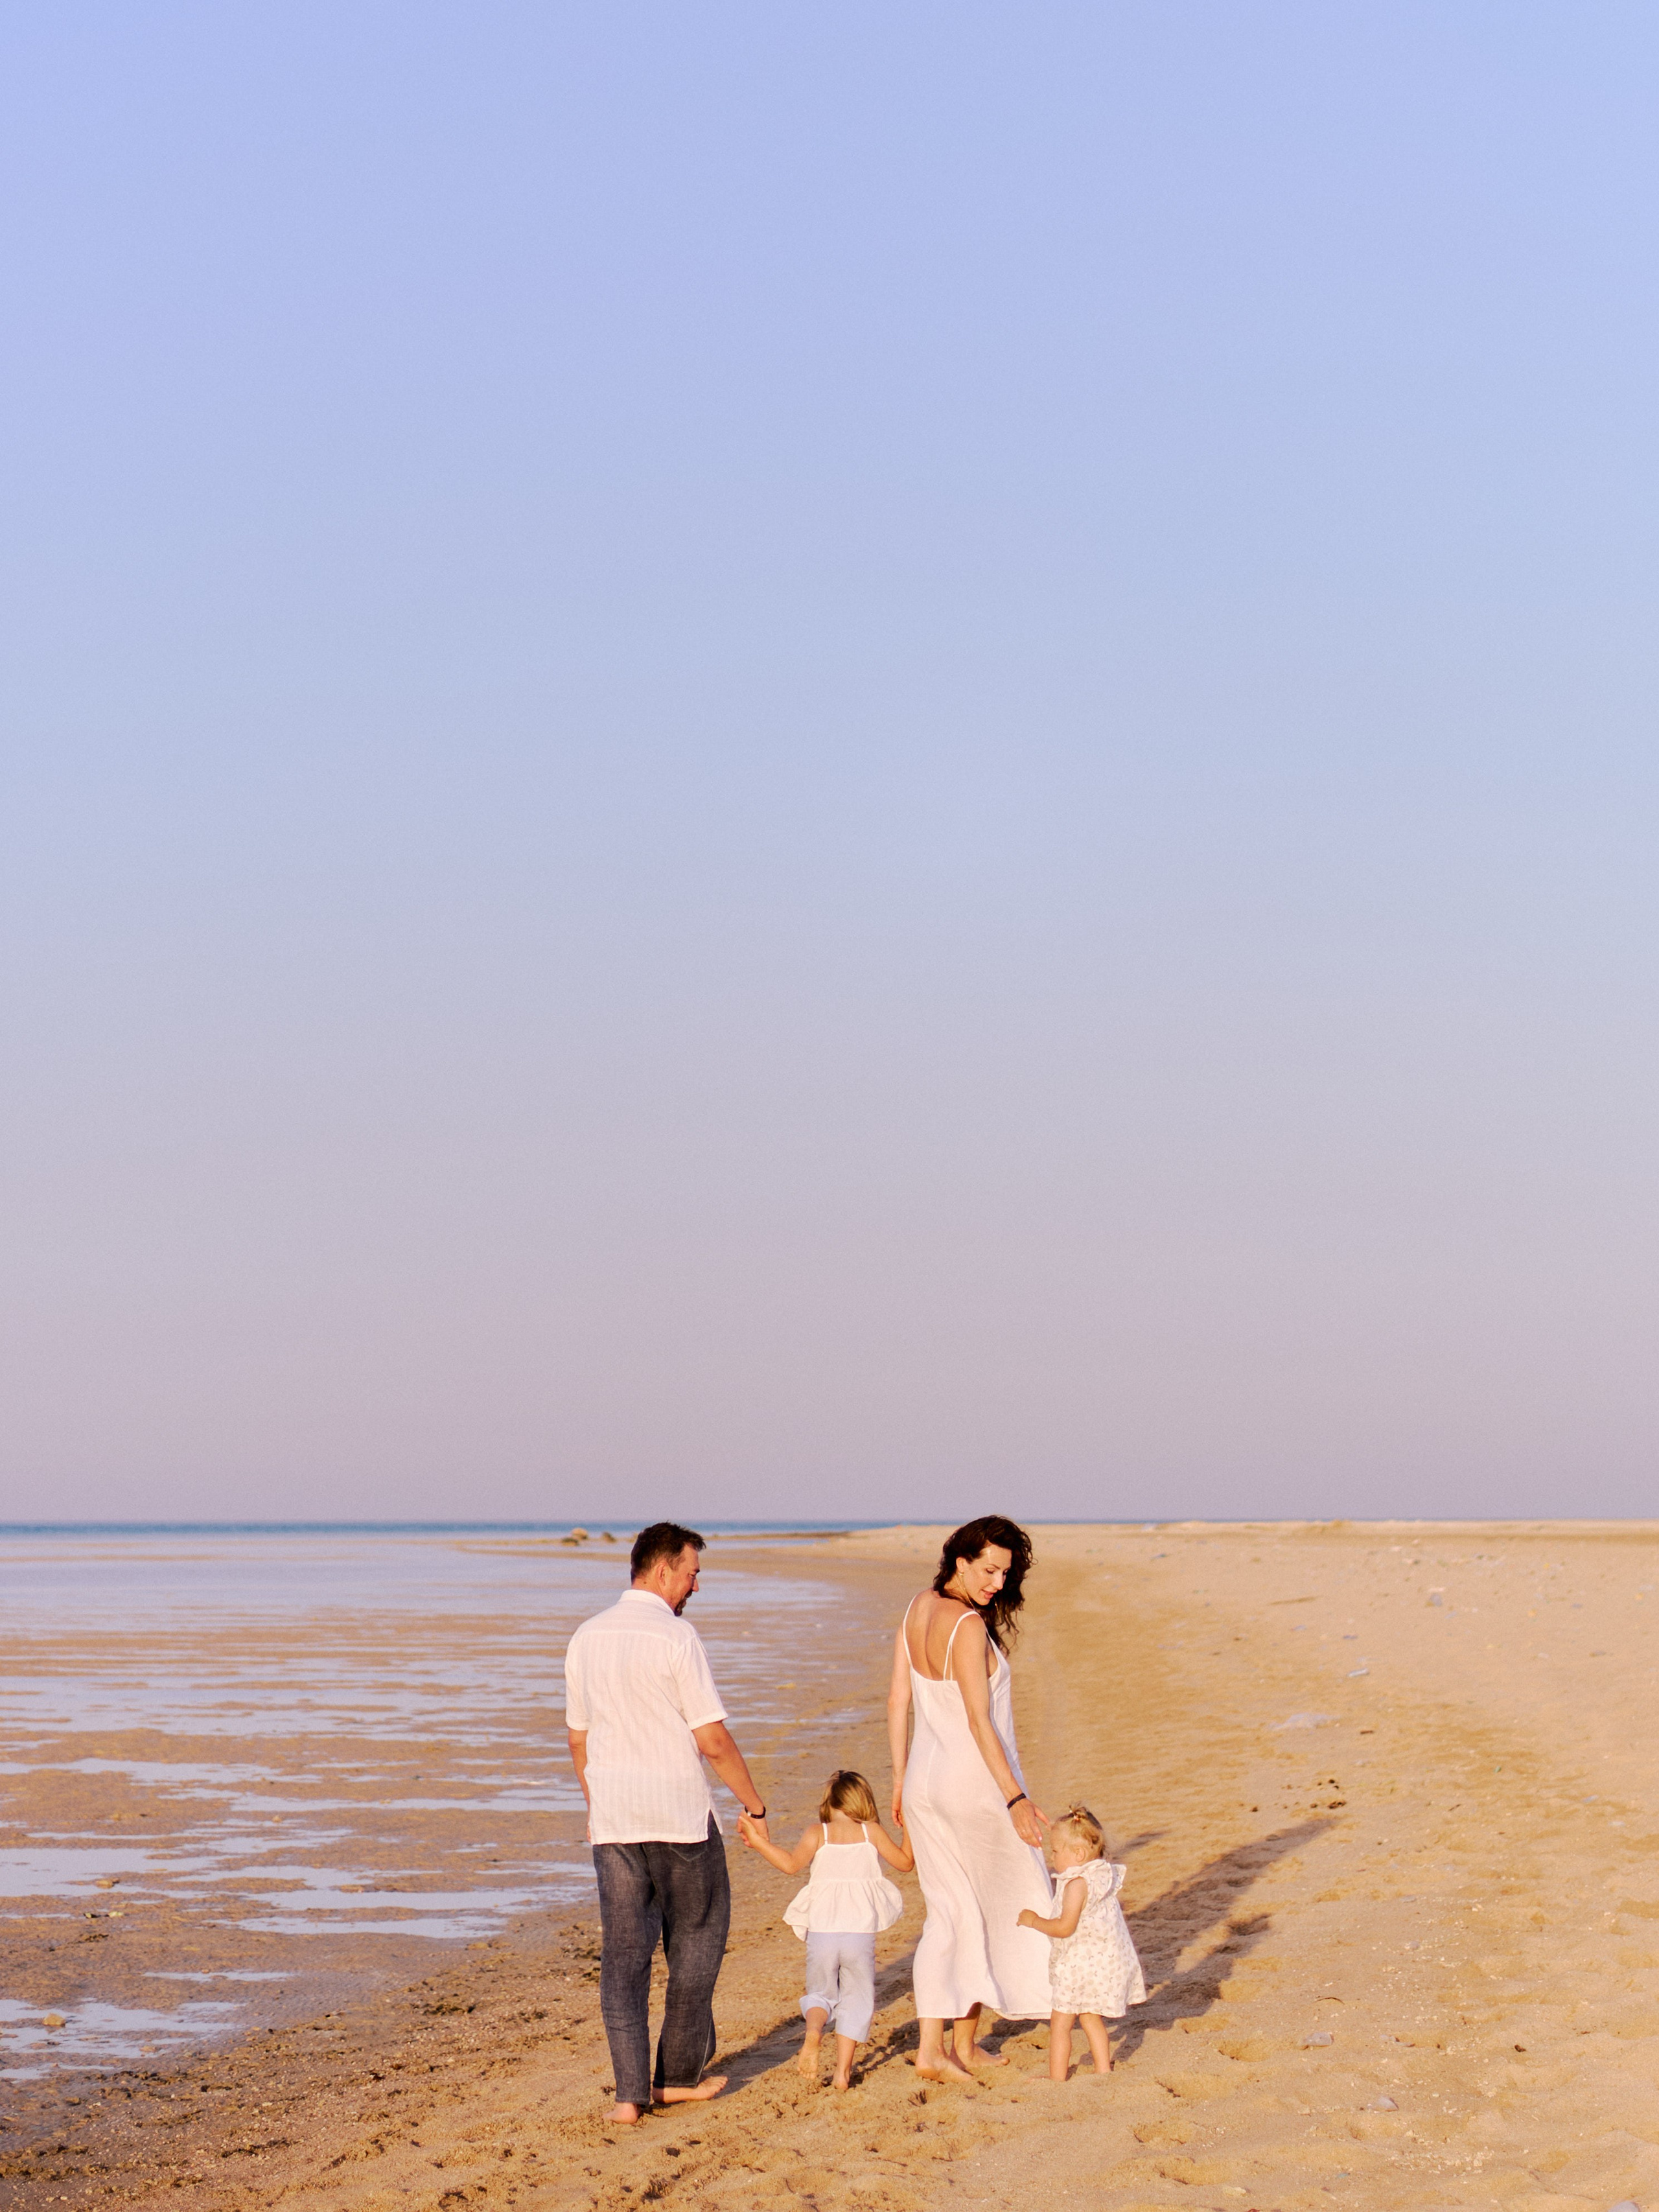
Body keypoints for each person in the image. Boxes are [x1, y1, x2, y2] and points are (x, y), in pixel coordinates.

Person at [564, 1522, 771, 2125]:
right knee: (698, 1943)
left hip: (616, 1820)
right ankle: (675, 2078)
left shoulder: (586, 1636)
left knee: (624, 1957)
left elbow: (579, 1739)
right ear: (662, 1572)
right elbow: (711, 1737)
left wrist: (595, 1801)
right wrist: (754, 1803)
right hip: (680, 1819)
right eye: (692, 1572)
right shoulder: (676, 1636)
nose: (696, 1586)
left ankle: (629, 2094)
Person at [887, 1513, 1054, 2083]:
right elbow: (981, 1723)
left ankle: (950, 2046)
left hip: (924, 1781)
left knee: (951, 1913)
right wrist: (1016, 1799)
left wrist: (898, 1780)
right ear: (960, 1560)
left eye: (1005, 1573)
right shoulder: (967, 1627)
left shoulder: (916, 1607)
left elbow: (896, 1701)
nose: (997, 1583)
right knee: (1006, 1902)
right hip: (973, 1784)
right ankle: (947, 2045)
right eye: (988, 1569)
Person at [737, 1768, 913, 2091]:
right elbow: (904, 1863)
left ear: (830, 1803)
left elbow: (791, 1866)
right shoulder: (870, 1832)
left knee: (821, 1993)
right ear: (862, 1802)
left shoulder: (818, 1833)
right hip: (858, 1936)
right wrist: (911, 1825)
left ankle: (814, 2033)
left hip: (822, 1935)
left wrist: (760, 1843)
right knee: (856, 2000)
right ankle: (842, 2074)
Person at [1017, 1803, 1146, 2080]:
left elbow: (1064, 1927)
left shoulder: (1077, 1885)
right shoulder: (1102, 1876)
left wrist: (1034, 1921)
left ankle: (1057, 2077)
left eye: (1055, 1851)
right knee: (1090, 2017)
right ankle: (1103, 2070)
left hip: (1079, 1966)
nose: (1053, 1857)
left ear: (1078, 1853)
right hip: (1101, 1963)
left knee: (1061, 2023)